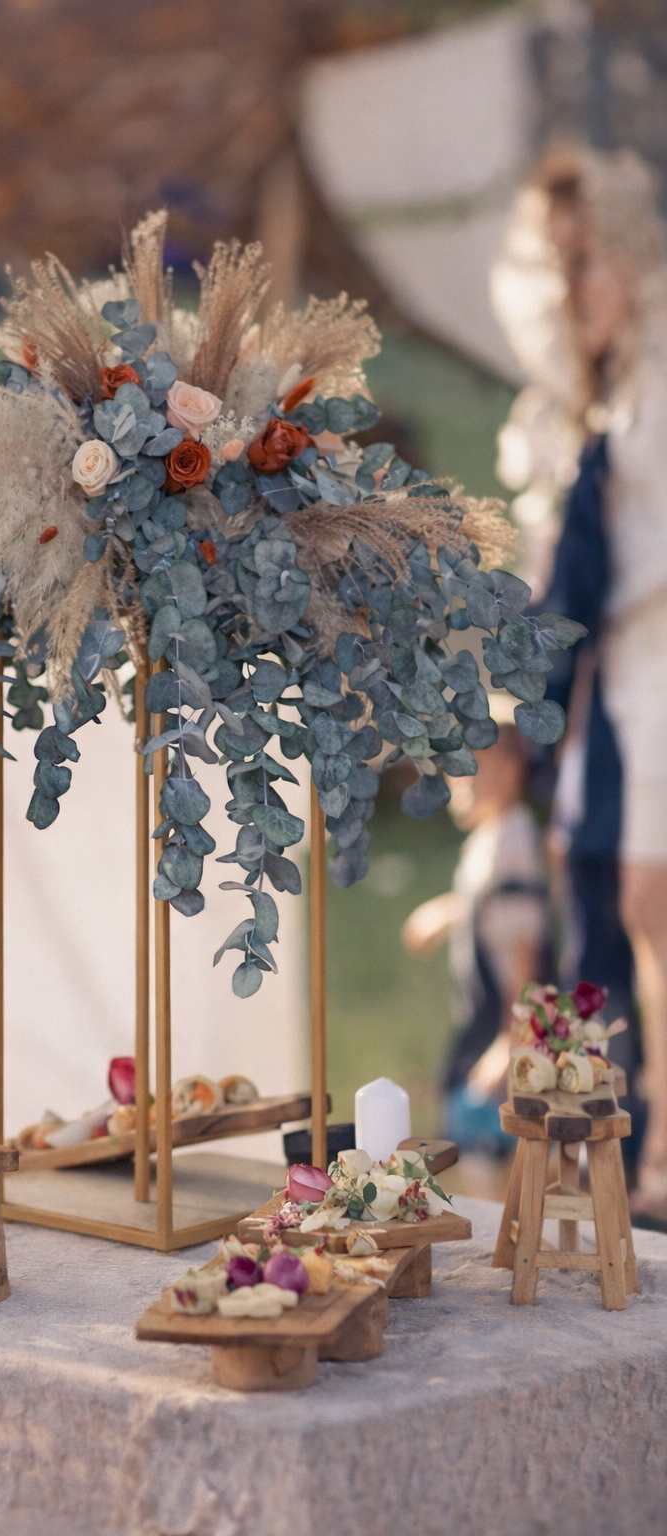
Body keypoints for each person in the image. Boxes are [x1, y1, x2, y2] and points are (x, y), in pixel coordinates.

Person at [493, 147, 667, 1214]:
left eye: (588, 259)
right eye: (554, 265)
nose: (573, 289)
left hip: (662, 672)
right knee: (592, 893)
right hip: (601, 691)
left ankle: (663, 1156)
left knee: (656, 901)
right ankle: (616, 1138)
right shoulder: (569, 409)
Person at [402, 720, 551, 1155]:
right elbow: (488, 903)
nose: (459, 782)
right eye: (453, 771)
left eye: (473, 769)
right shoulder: (492, 838)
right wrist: (447, 911)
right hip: (481, 1030)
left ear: (510, 771)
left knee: (483, 1158)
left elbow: (528, 948)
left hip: (501, 1038)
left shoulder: (513, 841)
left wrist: (511, 1044)